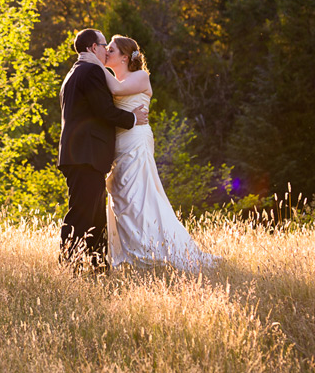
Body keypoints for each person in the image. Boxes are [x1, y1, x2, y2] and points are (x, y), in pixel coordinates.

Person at [80, 35, 217, 273]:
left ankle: (153, 250)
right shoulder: (111, 77)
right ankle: (131, 251)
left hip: (136, 141)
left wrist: (92, 61)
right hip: (118, 144)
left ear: (125, 56)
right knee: (121, 196)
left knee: (139, 195)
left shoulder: (140, 77)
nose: (107, 52)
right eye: (106, 49)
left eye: (111, 49)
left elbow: (118, 89)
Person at [58, 28, 147, 271]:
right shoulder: (90, 71)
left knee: (95, 215)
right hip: (85, 154)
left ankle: (97, 268)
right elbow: (103, 110)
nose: (106, 49)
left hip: (82, 154)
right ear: (92, 48)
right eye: (103, 44)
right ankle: (68, 266)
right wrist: (132, 118)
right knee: (82, 213)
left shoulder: (75, 73)